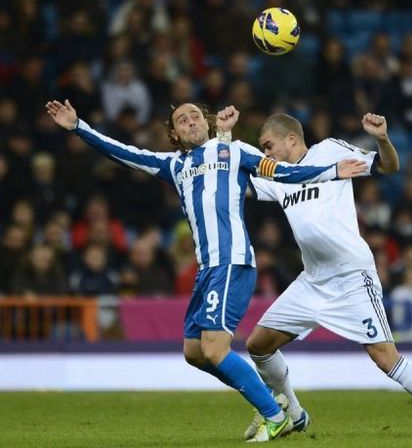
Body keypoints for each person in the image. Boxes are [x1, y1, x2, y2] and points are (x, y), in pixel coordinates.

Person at [45, 99, 368, 442]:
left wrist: (330, 171)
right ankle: (275, 405)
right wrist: (79, 127)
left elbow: (283, 172)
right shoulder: (173, 165)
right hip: (206, 270)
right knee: (195, 352)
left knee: (215, 348)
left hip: (231, 263)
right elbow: (124, 152)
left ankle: (274, 415)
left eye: (195, 116)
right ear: (175, 133)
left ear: (207, 123)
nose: (190, 121)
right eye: (182, 120)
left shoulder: (233, 152)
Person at [222, 112, 412, 440]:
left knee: (385, 358)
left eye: (268, 145)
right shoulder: (279, 175)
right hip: (313, 280)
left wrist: (382, 140)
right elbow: (233, 184)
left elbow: (388, 167)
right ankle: (296, 413)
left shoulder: (330, 151)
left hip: (352, 276)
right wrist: (225, 139)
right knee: (259, 344)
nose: (266, 152)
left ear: (291, 138)